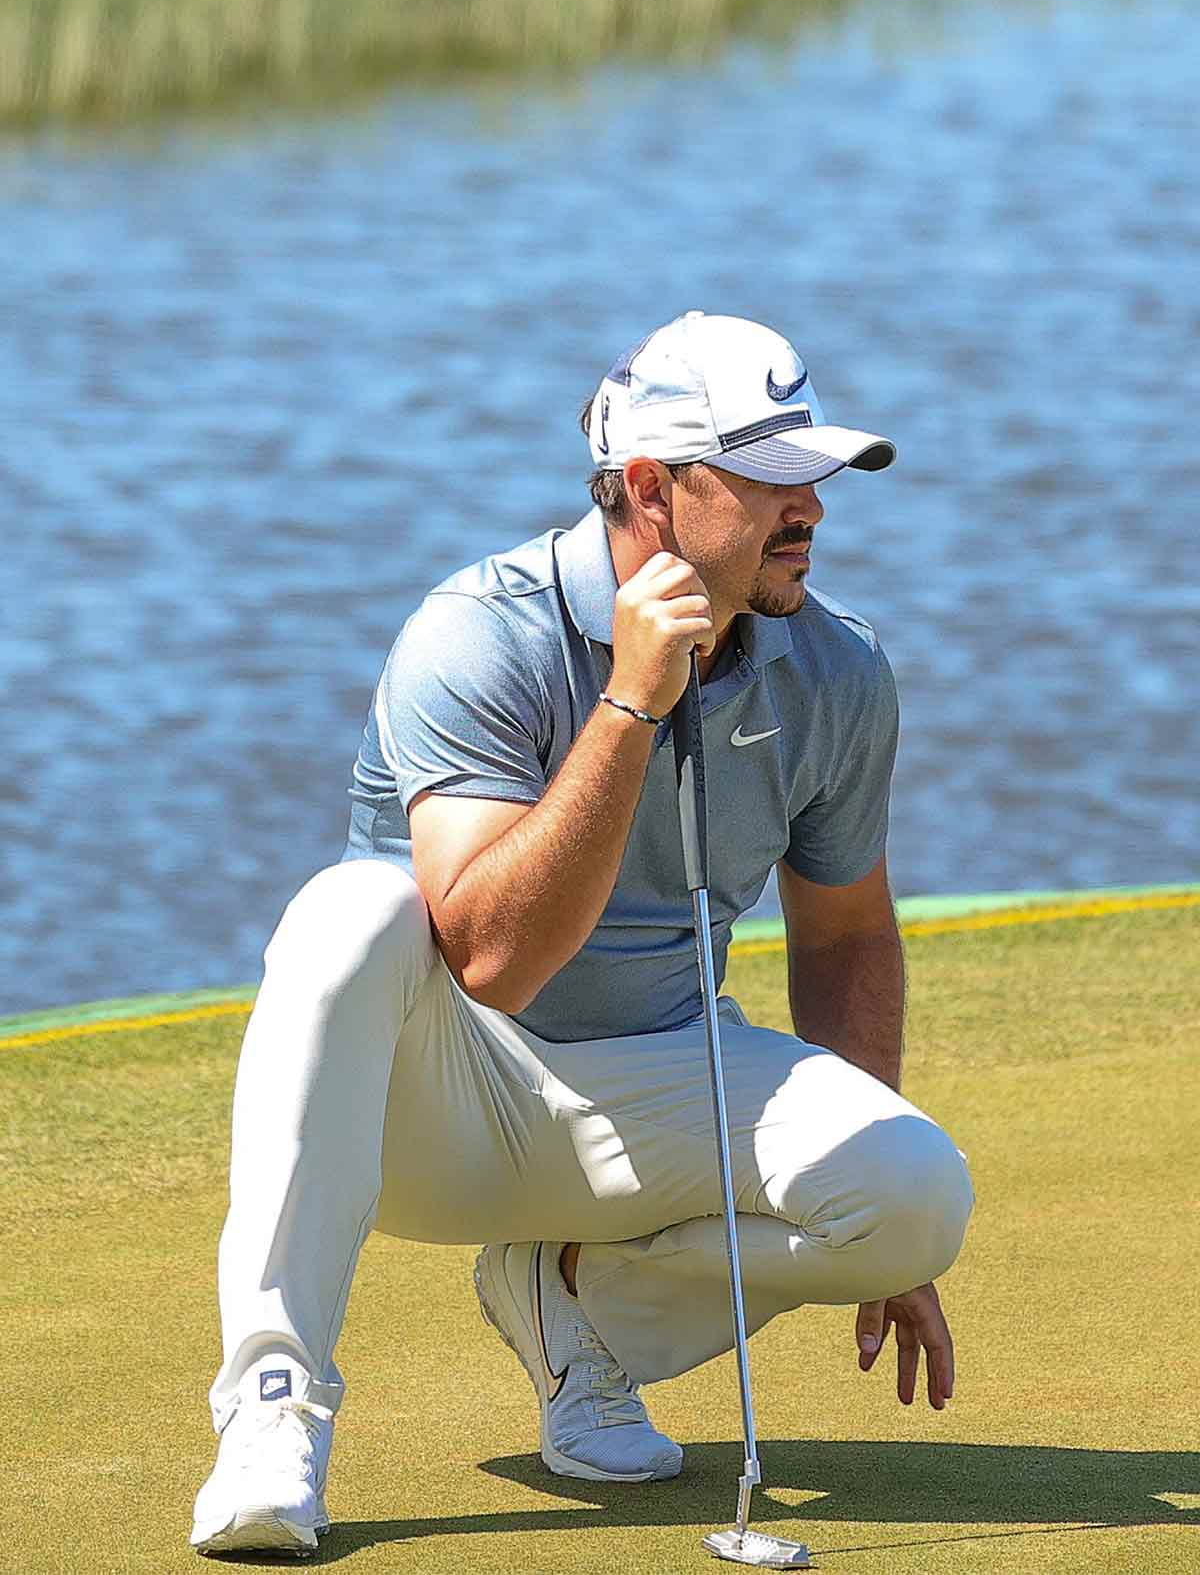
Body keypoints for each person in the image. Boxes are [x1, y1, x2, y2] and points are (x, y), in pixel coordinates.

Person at [190, 310, 975, 1556]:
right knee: (348, 911)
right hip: (433, 1109)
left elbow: (843, 937)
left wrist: (877, 1235)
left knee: (917, 1194)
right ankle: (273, 1405)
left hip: (655, 1091)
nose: (812, 508)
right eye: (772, 478)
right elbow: (493, 960)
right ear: (652, 489)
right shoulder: (477, 631)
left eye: (815, 474)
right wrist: (630, 703)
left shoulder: (837, 668)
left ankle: (576, 1304)